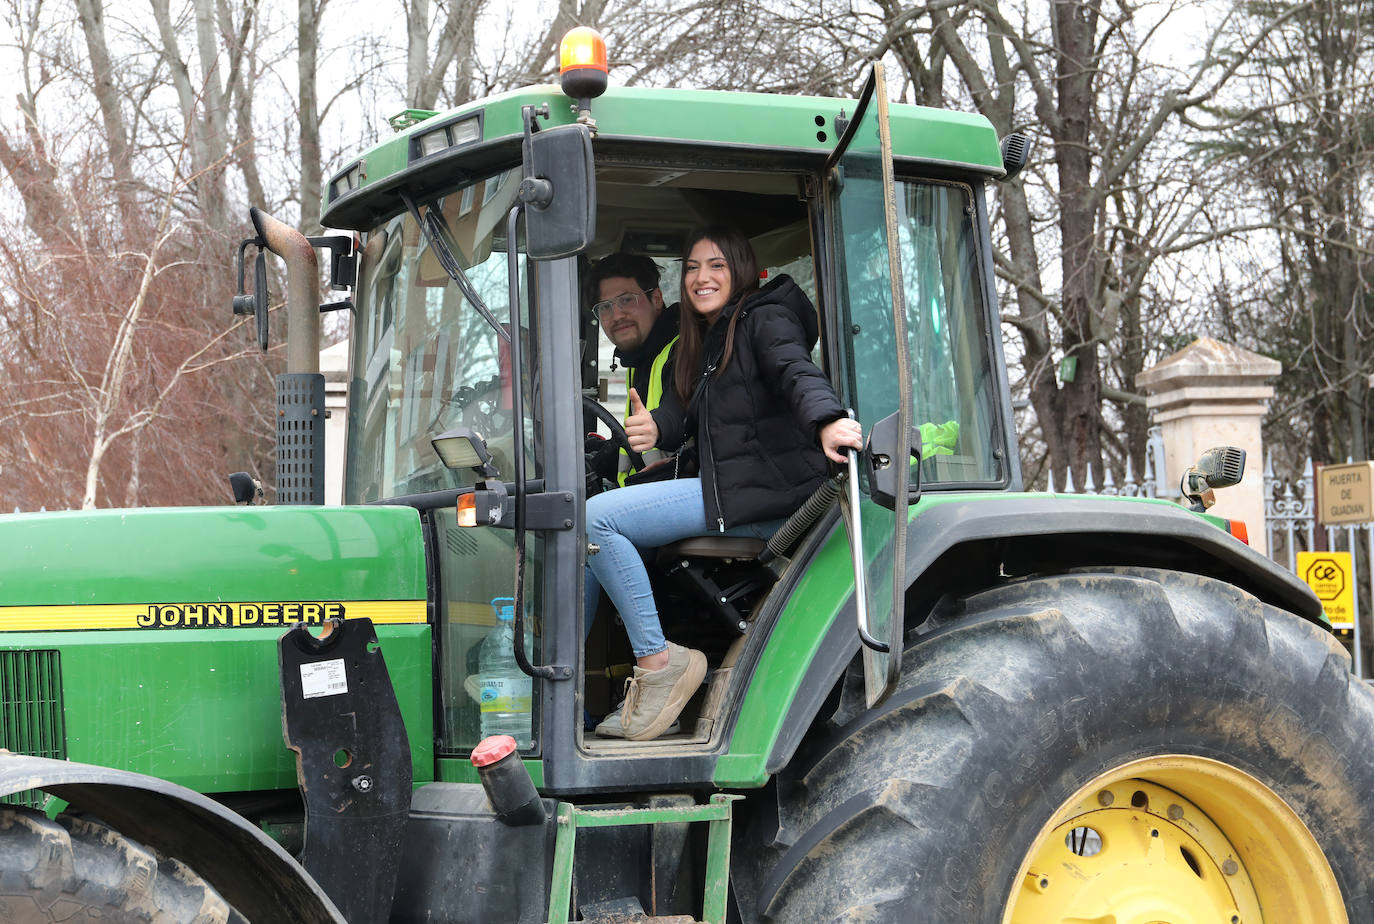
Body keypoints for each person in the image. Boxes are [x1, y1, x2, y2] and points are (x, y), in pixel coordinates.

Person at [585, 226, 863, 740]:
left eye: (715, 265)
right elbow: (679, 411)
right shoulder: (708, 339)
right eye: (692, 267)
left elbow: (794, 370)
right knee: (581, 524)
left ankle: (658, 662)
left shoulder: (763, 318)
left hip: (766, 496)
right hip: (731, 491)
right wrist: (654, 429)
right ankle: (565, 690)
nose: (701, 277)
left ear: (740, 269)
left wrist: (827, 420)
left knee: (597, 519)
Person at [585, 253, 679, 486]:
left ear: (656, 298)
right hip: (649, 488)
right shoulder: (640, 359)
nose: (616, 315)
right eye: (605, 307)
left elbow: (680, 412)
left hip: (680, 491)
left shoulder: (685, 350)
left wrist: (658, 426)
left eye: (627, 300)